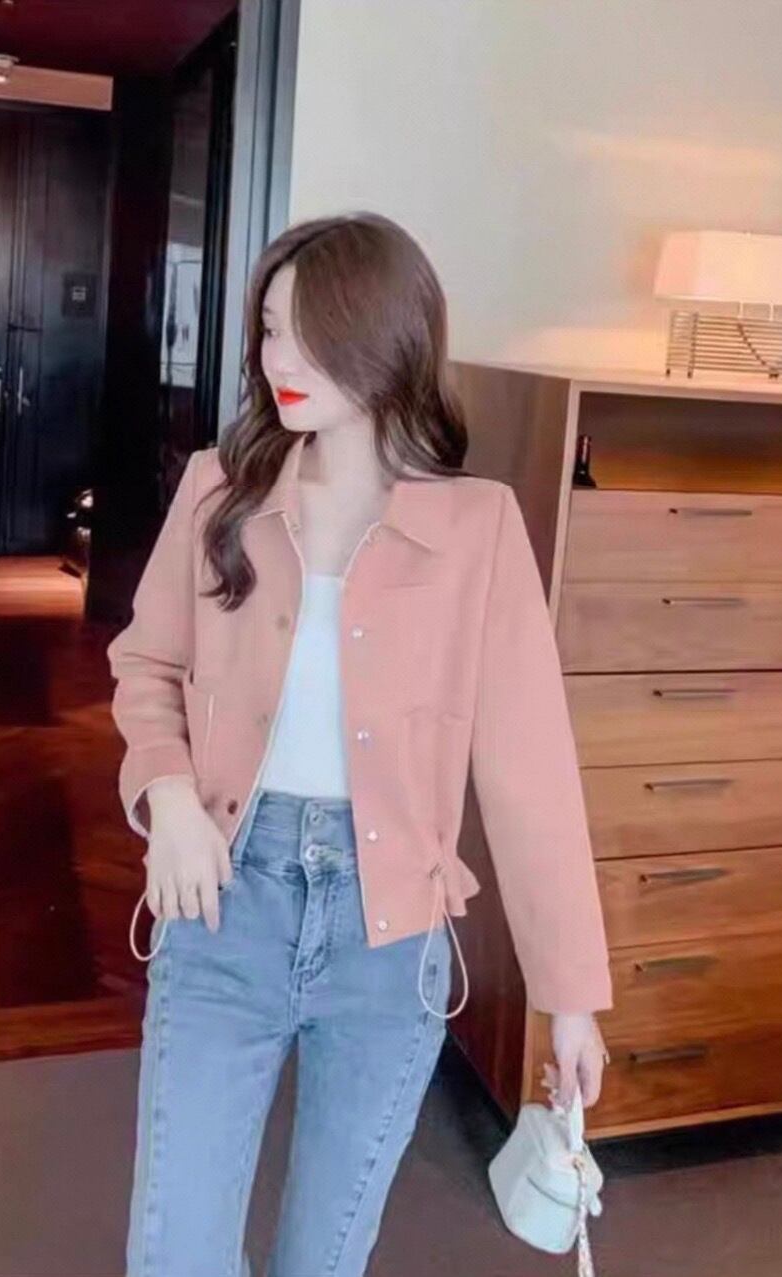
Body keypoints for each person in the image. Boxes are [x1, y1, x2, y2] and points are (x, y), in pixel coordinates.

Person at [106, 211, 614, 1277]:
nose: (277, 360)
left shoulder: (479, 527)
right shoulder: (217, 489)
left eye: (307, 333)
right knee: (176, 1254)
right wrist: (171, 802)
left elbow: (529, 774)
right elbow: (145, 668)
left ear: (384, 339)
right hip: (225, 904)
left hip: (390, 941)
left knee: (324, 1259)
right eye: (268, 329)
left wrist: (570, 998)